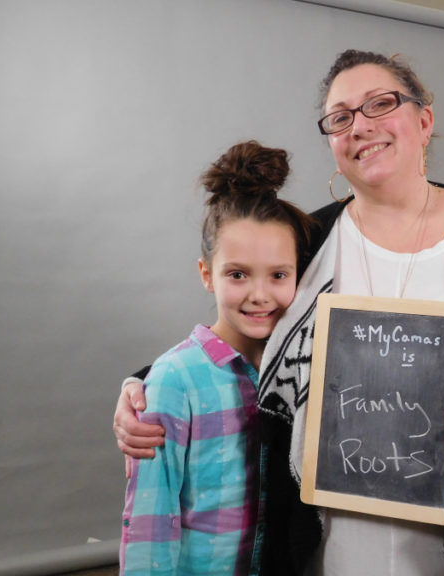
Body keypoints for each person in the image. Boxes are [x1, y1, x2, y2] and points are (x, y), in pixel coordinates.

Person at [114, 50, 444, 576]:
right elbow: (245, 328)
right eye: (340, 117)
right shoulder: (304, 242)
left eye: (380, 104)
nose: (360, 126)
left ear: (424, 122)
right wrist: (146, 387)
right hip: (332, 545)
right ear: (333, 144)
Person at [118, 140, 314, 575]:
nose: (259, 295)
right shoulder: (174, 381)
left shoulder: (301, 369)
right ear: (207, 274)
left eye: (278, 275)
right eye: (238, 274)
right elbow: (151, 521)